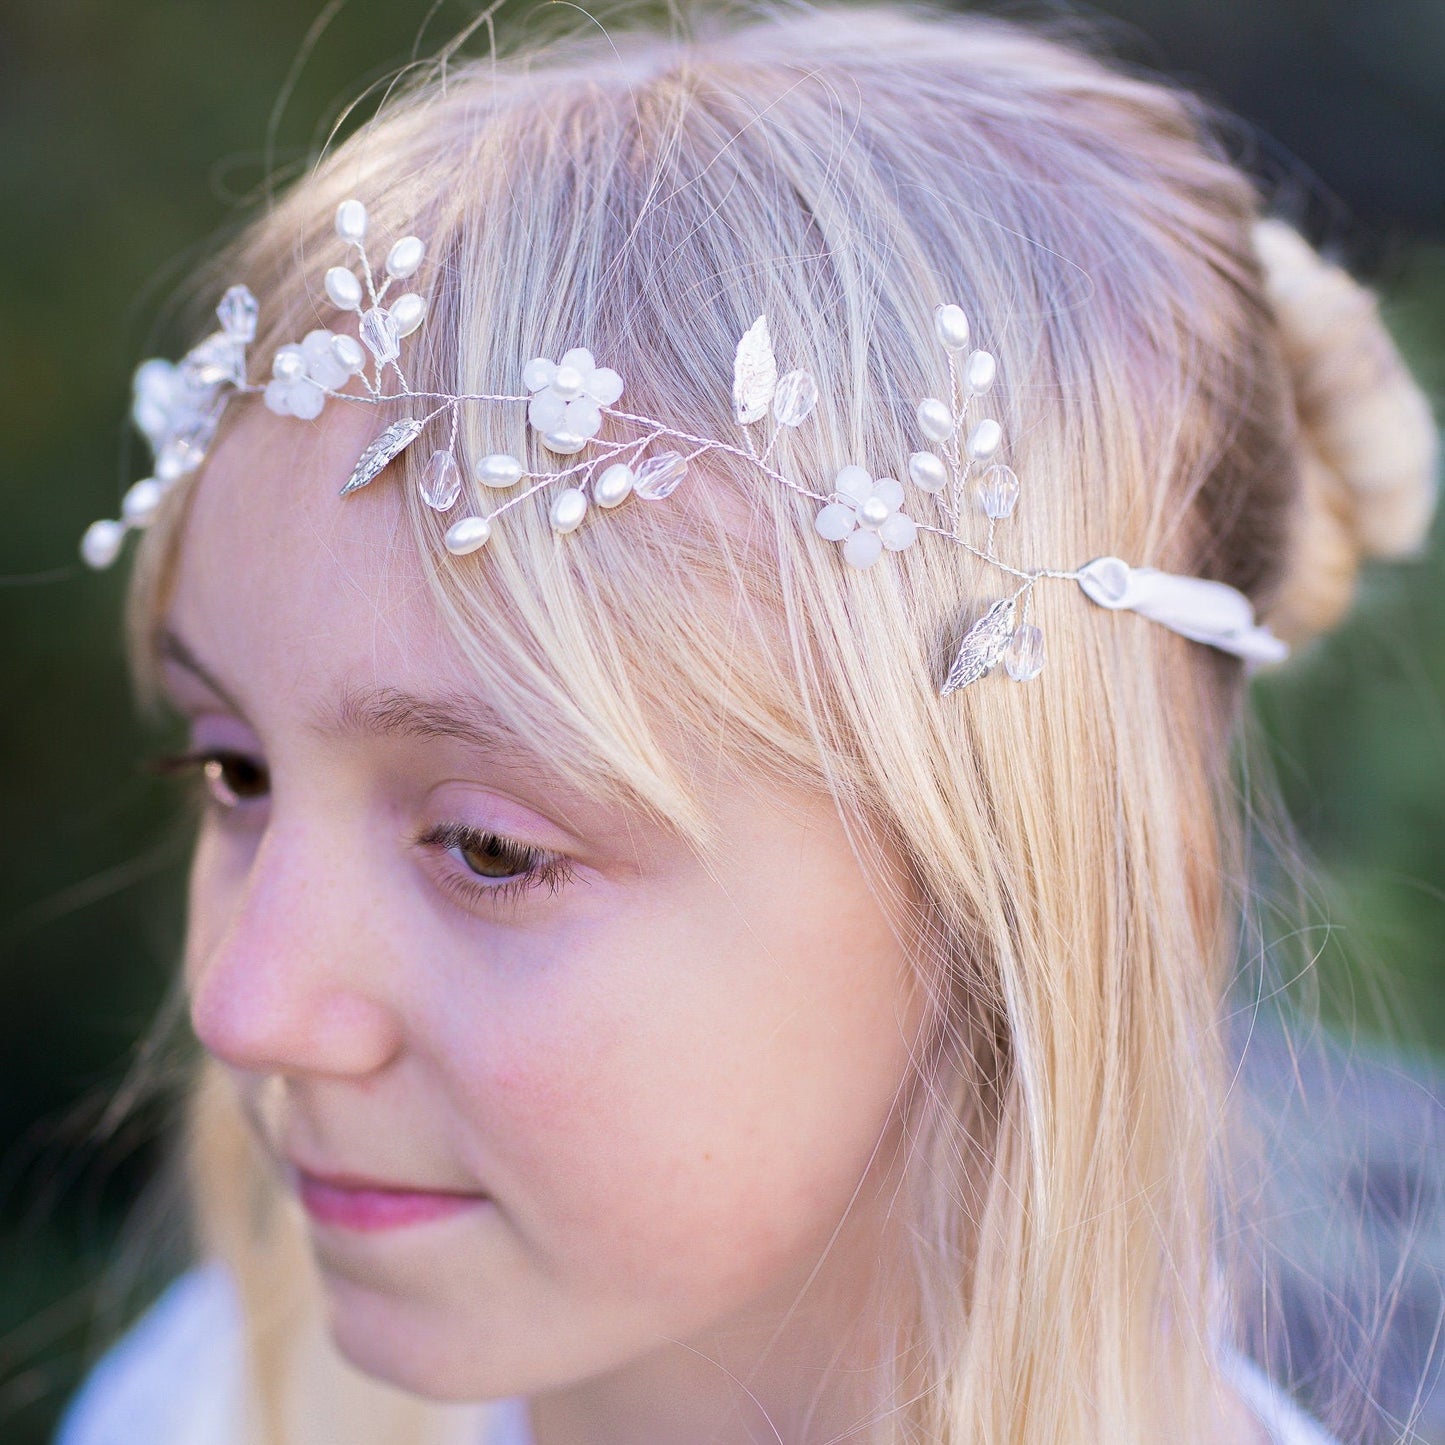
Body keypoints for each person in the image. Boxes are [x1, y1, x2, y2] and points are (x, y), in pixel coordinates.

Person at [54, 3, 1440, 1442]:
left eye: (488, 848)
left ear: (1042, 901)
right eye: (238, 767)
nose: (245, 1005)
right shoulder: (230, 1400)